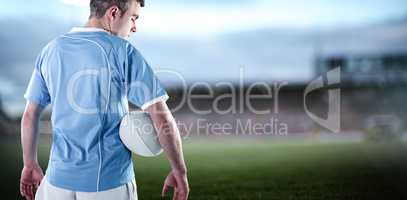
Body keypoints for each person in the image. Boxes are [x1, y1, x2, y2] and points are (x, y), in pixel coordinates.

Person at [19, 0, 189, 199]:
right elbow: (161, 116)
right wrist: (179, 170)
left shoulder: (50, 50)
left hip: (55, 183)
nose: (134, 27)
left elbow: (30, 115)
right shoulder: (122, 51)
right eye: (133, 18)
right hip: (109, 184)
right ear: (114, 13)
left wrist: (29, 164)